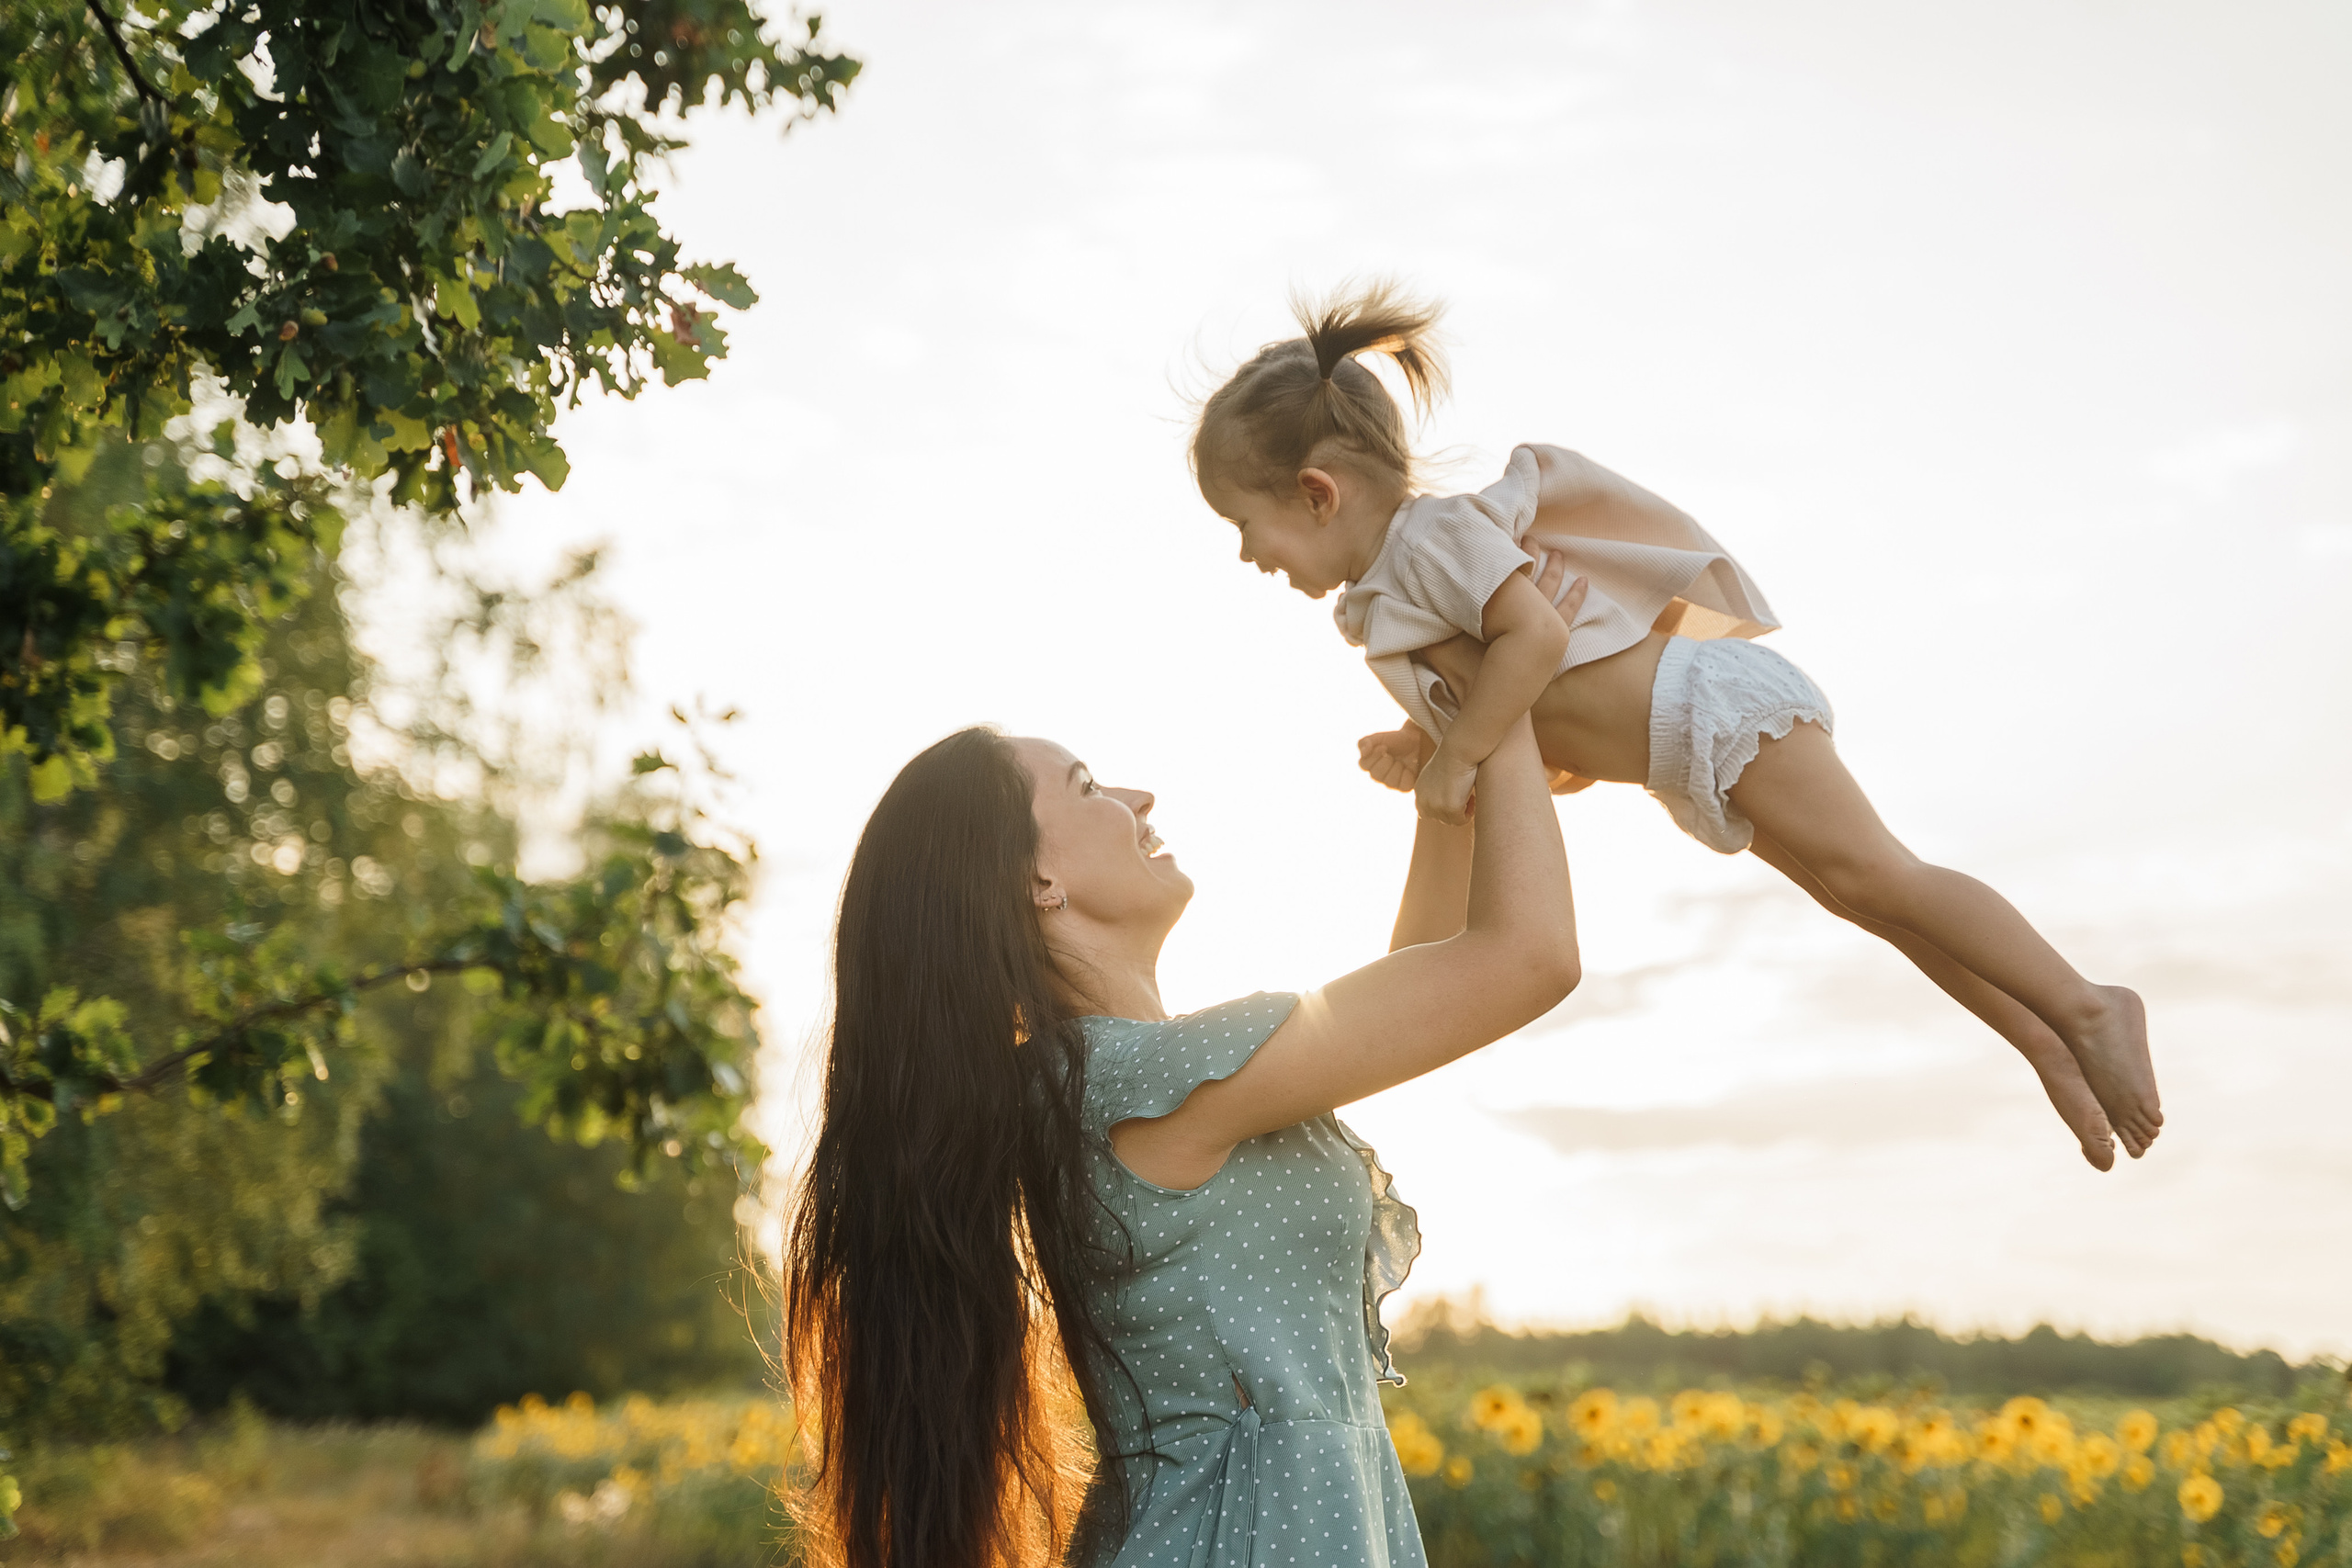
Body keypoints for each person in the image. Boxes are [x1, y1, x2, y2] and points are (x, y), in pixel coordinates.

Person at [1189, 280, 2158, 1172]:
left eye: (1243, 525)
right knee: (1862, 899)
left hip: (1709, 704)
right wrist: (1426, 743)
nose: (1244, 556)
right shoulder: (1397, 593)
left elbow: (1536, 636)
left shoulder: (1428, 541)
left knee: (1879, 875)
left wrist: (1461, 751)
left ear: (1317, 493)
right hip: (1680, 745)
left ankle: (2087, 1004)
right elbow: (1521, 691)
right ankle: (2044, 1038)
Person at [783, 718, 1577, 1568]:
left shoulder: (1117, 1082)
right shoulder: (1135, 1083)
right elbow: (1529, 956)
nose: (1139, 798)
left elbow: (1427, 984)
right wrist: (1501, 699)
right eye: (1089, 786)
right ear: (1039, 879)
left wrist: (1452, 767)